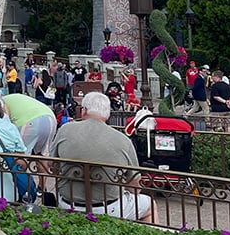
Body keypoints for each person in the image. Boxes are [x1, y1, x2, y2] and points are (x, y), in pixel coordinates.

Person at [51, 91, 156, 223]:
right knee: (149, 205)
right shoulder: (122, 140)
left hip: (68, 203)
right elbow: (134, 181)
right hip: (109, 207)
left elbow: (51, 164)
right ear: (108, 114)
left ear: (84, 111)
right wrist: (130, 194)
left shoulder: (65, 130)